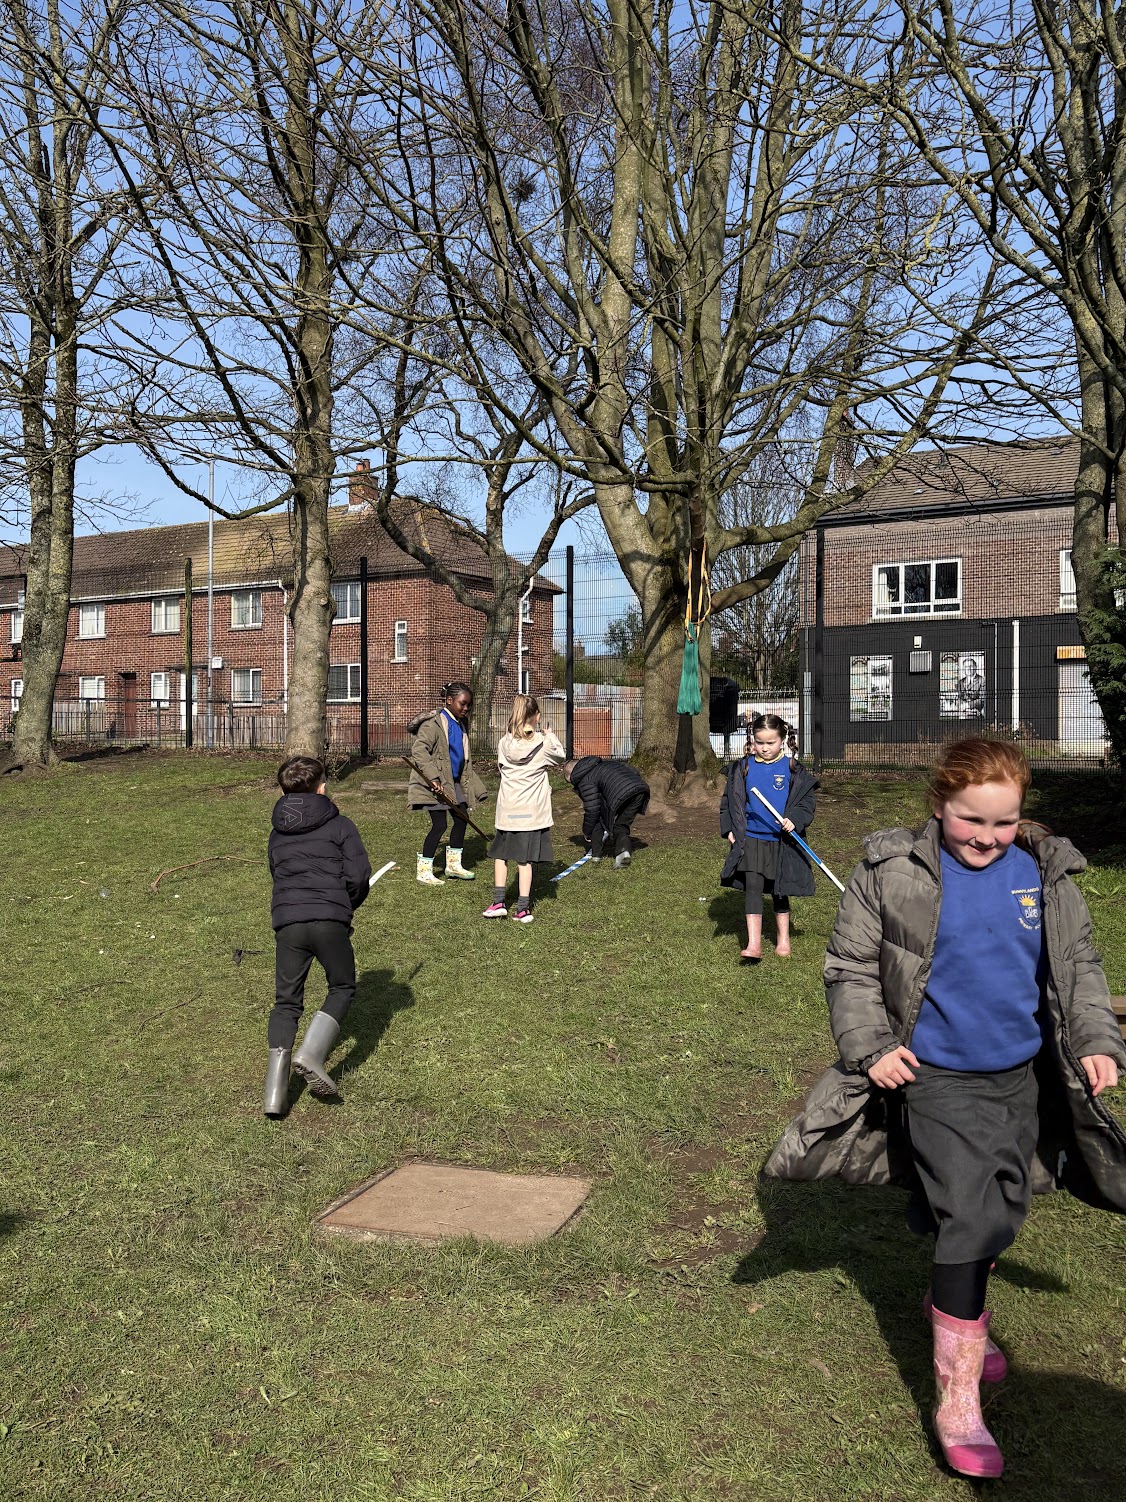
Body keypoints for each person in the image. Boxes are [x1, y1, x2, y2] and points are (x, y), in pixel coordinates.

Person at [763, 737, 1126, 1480]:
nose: (987, 838)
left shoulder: (1045, 873)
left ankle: (956, 1307)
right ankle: (958, 1401)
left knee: (1003, 1205)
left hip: (1021, 1076)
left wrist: (1095, 1038)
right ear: (938, 804)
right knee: (970, 1216)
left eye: (1004, 822)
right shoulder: (891, 870)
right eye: (971, 820)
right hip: (935, 1077)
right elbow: (850, 967)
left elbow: (1079, 966)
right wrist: (871, 1046)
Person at [263, 755, 373, 1119]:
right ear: (322, 787)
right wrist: (345, 905)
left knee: (286, 1002)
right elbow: (359, 875)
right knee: (342, 986)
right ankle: (311, 1054)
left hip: (288, 923)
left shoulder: (277, 833)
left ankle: (274, 1095)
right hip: (329, 919)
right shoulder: (341, 825)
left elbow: (276, 873)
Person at [719, 713, 818, 960]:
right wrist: (729, 829)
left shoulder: (792, 769)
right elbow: (728, 802)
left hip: (781, 840)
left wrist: (794, 819)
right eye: (759, 742)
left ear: (782, 740)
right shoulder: (742, 768)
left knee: (778, 889)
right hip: (751, 838)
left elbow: (806, 802)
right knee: (752, 887)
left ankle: (783, 939)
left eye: (770, 743)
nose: (764, 748)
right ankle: (754, 944)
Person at [483, 693, 565, 922]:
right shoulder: (544, 744)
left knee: (501, 856)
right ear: (536, 716)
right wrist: (549, 735)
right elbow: (560, 756)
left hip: (507, 810)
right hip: (531, 813)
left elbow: (502, 767)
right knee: (524, 861)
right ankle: (522, 908)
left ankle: (498, 902)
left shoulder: (504, 742)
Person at [406, 682, 489, 885]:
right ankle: (424, 871)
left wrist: (478, 789)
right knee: (440, 824)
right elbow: (419, 751)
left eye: (469, 705)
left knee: (461, 818)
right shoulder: (433, 724)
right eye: (462, 703)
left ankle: (453, 866)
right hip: (433, 784)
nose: (466, 708)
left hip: (453, 782)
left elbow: (464, 761)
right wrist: (433, 777)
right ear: (449, 700)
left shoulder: (460, 725)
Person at [564, 755, 650, 869]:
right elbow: (632, 770)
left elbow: (592, 810)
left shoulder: (585, 780)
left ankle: (596, 855)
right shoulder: (606, 763)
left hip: (620, 793)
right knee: (621, 825)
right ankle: (623, 852)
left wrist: (587, 831)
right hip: (639, 789)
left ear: (569, 776)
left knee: (597, 819)